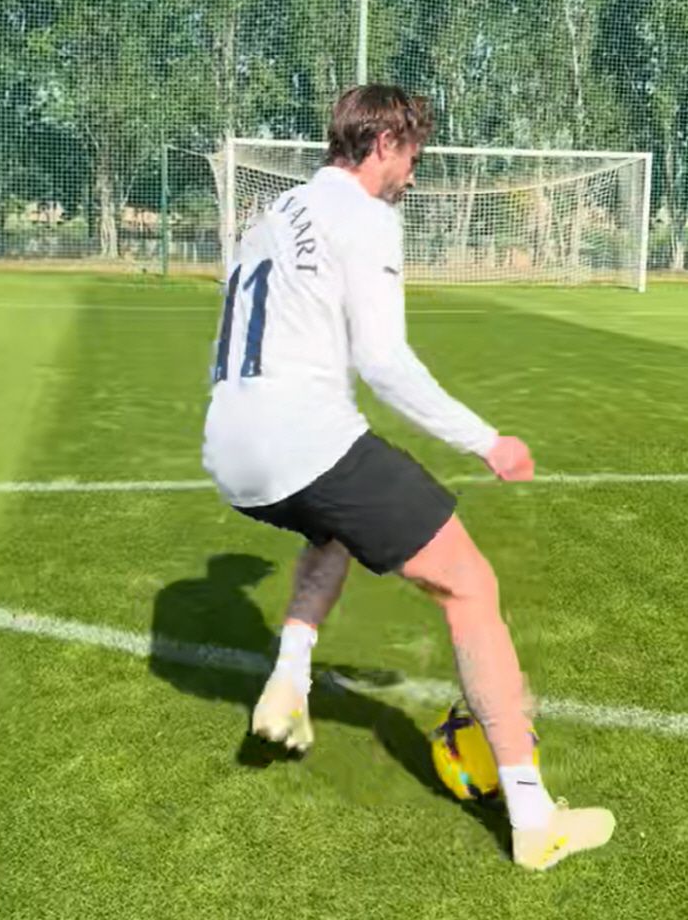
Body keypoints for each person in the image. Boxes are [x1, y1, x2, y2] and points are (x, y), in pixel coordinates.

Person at [203, 84, 614, 871]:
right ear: (384, 143)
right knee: (471, 587)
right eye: (412, 156)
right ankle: (535, 820)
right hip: (300, 437)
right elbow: (384, 362)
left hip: (228, 446)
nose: (413, 176)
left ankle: (290, 677)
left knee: (333, 525)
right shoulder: (365, 216)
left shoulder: (272, 211)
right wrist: (487, 441)